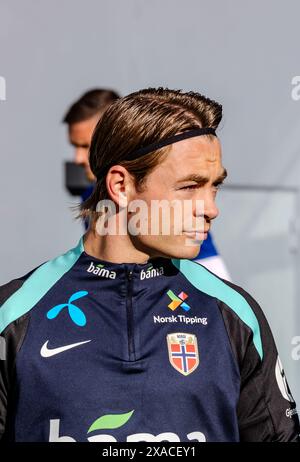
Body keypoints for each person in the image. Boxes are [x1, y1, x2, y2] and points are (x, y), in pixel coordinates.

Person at [0, 87, 299, 442]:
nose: (210, 208)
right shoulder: (14, 313)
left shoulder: (234, 312)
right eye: (189, 187)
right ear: (121, 186)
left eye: (214, 187)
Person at [63, 88, 230, 279]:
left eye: (86, 146)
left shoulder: (216, 293)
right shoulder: (91, 190)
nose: (78, 158)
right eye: (75, 146)